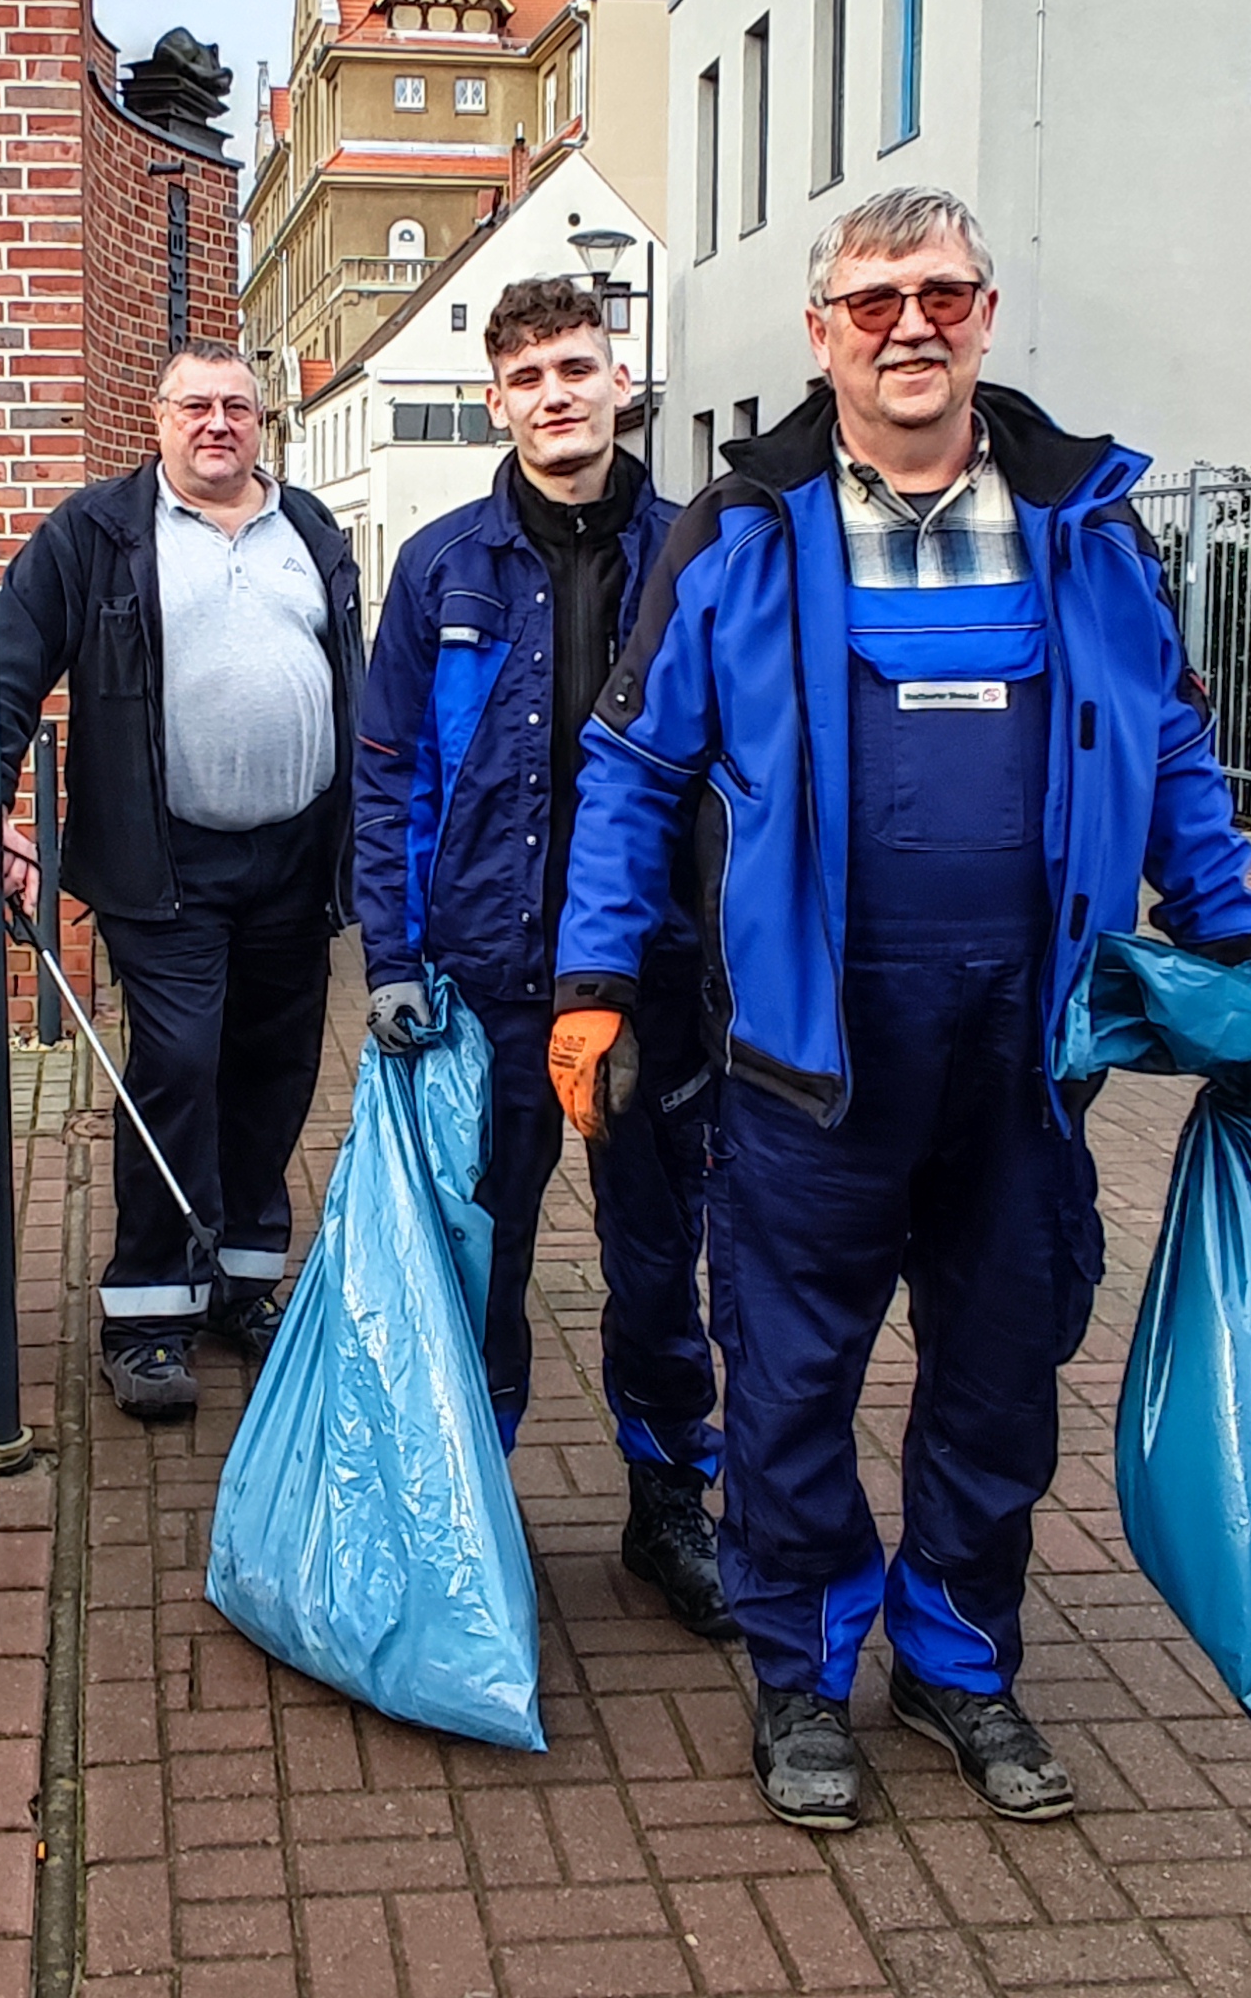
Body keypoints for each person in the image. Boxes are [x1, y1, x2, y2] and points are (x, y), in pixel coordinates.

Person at [553, 185, 1251, 1833]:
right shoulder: (742, 525)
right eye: (871, 301)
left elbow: (1168, 743)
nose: (908, 325)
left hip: (1030, 1051)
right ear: (822, 334)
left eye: (939, 293)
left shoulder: (1086, 521)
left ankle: (957, 1657)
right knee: (793, 1382)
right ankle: (803, 1672)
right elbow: (636, 766)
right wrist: (594, 978)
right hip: (810, 1058)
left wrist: (1231, 942)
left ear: (987, 314)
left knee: (1003, 1373)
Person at [352, 276, 732, 1641]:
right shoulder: (444, 566)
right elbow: (386, 773)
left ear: (620, 379)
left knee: (656, 1257)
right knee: (480, 1257)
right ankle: (466, 1501)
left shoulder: (708, 550)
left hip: (654, 984)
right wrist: (393, 955)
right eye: (527, 378)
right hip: (490, 983)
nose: (555, 395)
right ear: (499, 400)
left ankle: (667, 1502)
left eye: (578, 367)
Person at [0, 346, 362, 1421]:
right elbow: (8, 670)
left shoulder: (313, 532)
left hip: (296, 860)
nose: (217, 423)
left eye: (237, 406)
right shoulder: (96, 533)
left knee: (275, 1071)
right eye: (194, 405)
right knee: (178, 1064)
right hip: (165, 865)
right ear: (156, 419)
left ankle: (242, 1280)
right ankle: (148, 1310)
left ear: (263, 422)